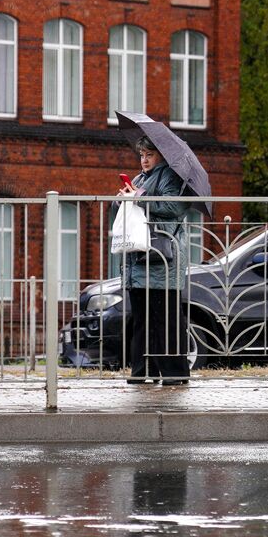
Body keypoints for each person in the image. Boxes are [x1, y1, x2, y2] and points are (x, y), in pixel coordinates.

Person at [118, 137, 190, 386]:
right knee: (141, 320)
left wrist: (140, 197)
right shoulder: (138, 179)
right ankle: (142, 370)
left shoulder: (170, 176)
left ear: (161, 155)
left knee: (165, 319)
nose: (144, 160)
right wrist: (124, 197)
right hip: (139, 258)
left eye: (149, 154)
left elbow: (174, 207)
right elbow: (130, 206)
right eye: (141, 155)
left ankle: (174, 372)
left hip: (163, 258)